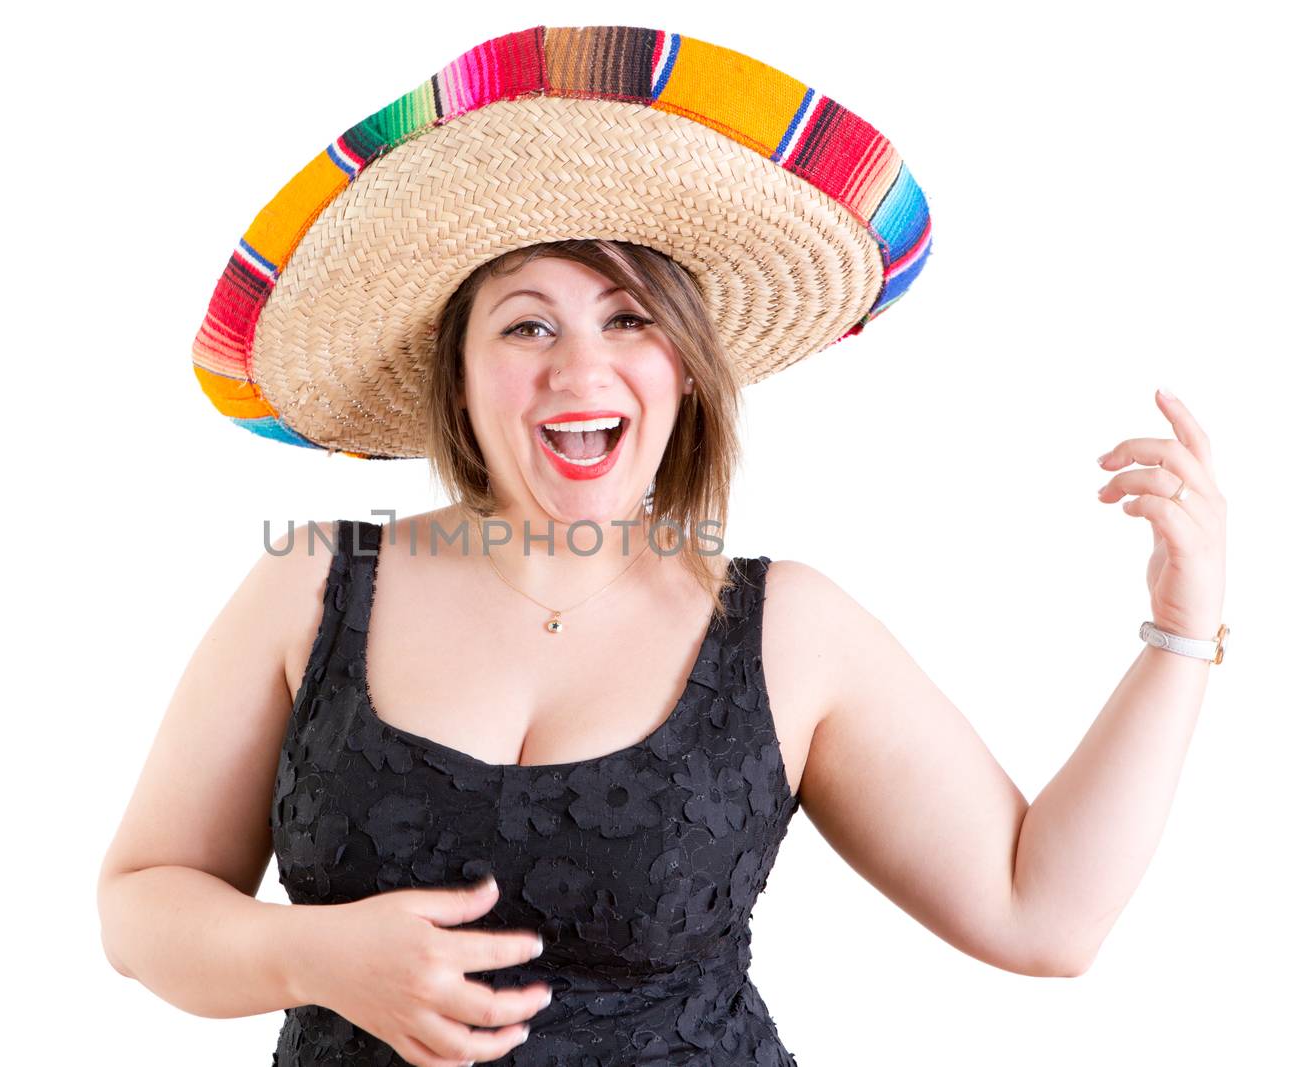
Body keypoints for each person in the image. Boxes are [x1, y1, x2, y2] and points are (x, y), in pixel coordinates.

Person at [96, 25, 1229, 1067]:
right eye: (526, 321)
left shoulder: (788, 628)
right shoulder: (313, 580)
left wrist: (1180, 628)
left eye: (629, 317)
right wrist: (317, 956)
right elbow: (140, 904)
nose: (579, 369)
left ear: (682, 366)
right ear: (460, 372)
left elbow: (1042, 913)